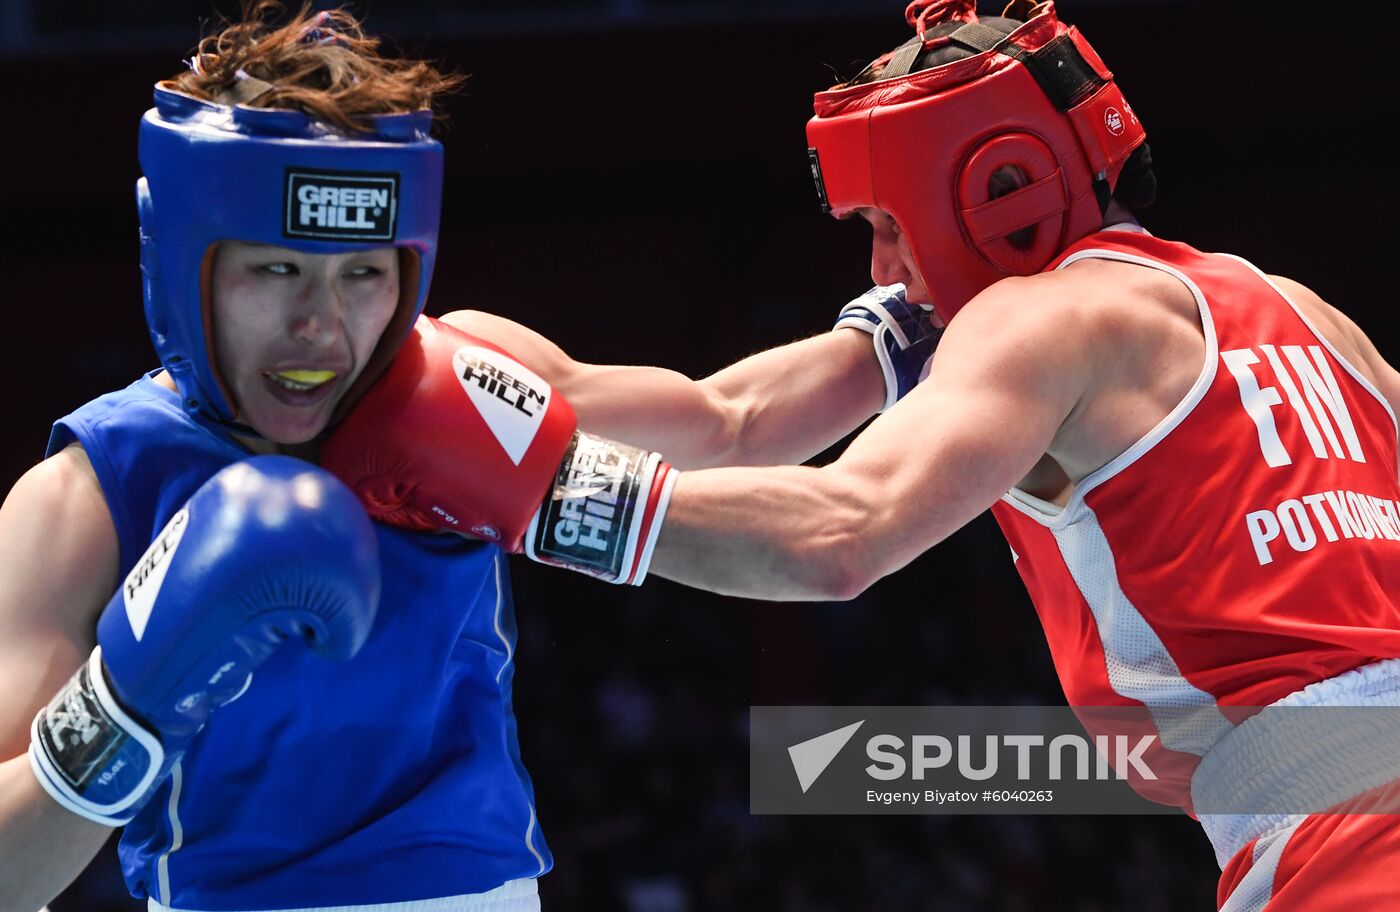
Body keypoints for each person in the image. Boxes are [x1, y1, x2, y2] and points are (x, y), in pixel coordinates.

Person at [329, 1, 1400, 908]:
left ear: (998, 188)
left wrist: (536, 495)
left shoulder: (1032, 321)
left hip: (1346, 839)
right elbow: (725, 420)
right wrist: (431, 363)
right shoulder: (1307, 317)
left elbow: (839, 536)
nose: (881, 264)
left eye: (886, 222)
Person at [0, 3, 937, 910]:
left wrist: (933, 299)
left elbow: (730, 424)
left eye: (363, 273)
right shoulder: (89, 495)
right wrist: (124, 706)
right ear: (185, 262)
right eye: (276, 269)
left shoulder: (473, 381)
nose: (321, 328)